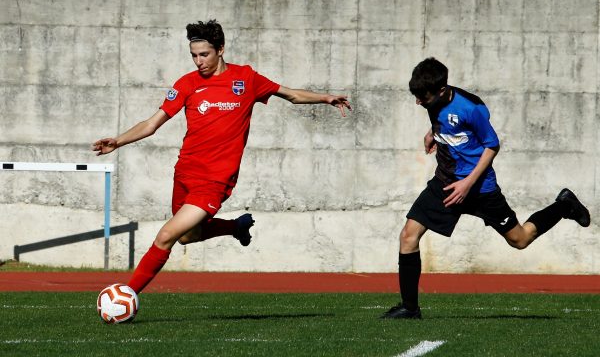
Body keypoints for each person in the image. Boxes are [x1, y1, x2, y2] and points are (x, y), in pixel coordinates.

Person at [92, 20, 352, 294]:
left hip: (215, 179)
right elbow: (151, 123)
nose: (198, 61)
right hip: (185, 173)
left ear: (221, 50)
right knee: (186, 238)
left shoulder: (246, 79)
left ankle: (125, 296)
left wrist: (325, 98)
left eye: (204, 54)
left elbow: (292, 95)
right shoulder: (187, 83)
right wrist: (118, 140)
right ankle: (235, 227)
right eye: (193, 55)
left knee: (166, 236)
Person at [381, 57, 590, 319]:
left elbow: (492, 145)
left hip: (479, 189)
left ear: (443, 91)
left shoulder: (472, 108)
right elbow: (442, 118)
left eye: (423, 98)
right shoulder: (432, 95)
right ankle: (410, 309)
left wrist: (468, 184)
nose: (418, 102)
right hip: (445, 183)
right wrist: (432, 132)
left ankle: (564, 205)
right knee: (408, 236)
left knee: (520, 239)